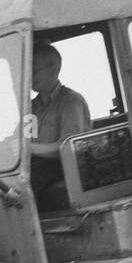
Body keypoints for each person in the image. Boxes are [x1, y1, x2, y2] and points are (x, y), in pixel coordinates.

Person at [28, 42, 90, 207]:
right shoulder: (32, 107)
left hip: (67, 166)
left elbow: (68, 148)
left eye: (35, 70)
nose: (30, 75)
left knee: (27, 179)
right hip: (41, 163)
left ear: (53, 70)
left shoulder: (71, 102)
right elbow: (25, 138)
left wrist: (30, 148)